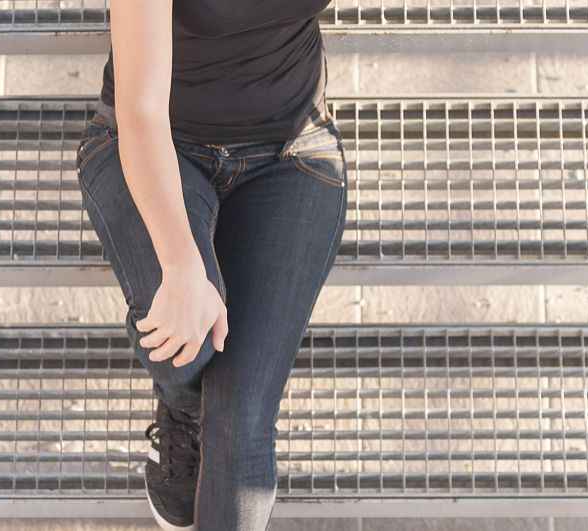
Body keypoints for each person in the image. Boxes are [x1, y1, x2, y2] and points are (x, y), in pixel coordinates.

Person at [74, 1, 347, 529]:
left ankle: (200, 411)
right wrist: (182, 266)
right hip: (155, 139)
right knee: (187, 345)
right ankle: (184, 407)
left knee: (241, 422)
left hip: (294, 151)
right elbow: (142, 111)